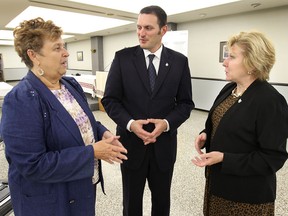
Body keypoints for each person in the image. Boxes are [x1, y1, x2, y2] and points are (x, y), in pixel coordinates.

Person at [0, 17, 128, 216]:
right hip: (49, 202)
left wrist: (102, 133)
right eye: (57, 48)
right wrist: (91, 152)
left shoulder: (70, 85)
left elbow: (84, 121)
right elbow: (32, 165)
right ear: (34, 55)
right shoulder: (20, 100)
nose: (66, 53)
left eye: (64, 46)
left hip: (81, 189)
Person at [101, 5, 194, 216]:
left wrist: (166, 124)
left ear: (163, 30)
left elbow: (185, 103)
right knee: (131, 203)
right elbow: (110, 100)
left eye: (148, 28)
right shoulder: (123, 58)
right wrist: (130, 124)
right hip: (131, 145)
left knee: (162, 202)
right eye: (139, 27)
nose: (141, 33)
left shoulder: (179, 62)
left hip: (164, 146)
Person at [192, 31, 288, 216]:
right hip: (218, 186)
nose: (224, 62)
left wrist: (224, 158)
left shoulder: (270, 101)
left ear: (252, 63)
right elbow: (226, 120)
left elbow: (273, 158)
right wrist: (207, 133)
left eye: (232, 57)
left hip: (246, 197)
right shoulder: (230, 88)